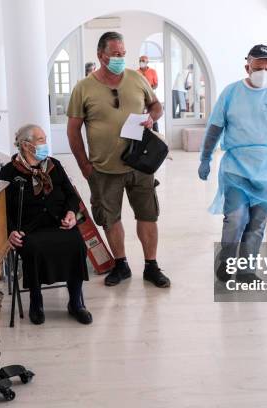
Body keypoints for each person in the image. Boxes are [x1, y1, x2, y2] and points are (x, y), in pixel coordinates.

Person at [67, 31, 169, 288]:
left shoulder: (137, 78)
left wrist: (152, 117)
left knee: (148, 215)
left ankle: (151, 266)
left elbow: (156, 105)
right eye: (115, 55)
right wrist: (85, 166)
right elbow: (73, 130)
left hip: (140, 164)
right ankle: (121, 265)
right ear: (101, 56)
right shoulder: (83, 88)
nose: (121, 59)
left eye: (123, 54)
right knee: (110, 218)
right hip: (103, 168)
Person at [198, 44, 267, 282]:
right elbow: (215, 127)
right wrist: (205, 157)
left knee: (256, 223)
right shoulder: (231, 93)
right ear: (247, 66)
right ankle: (227, 261)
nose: (262, 71)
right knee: (235, 219)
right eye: (258, 66)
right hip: (237, 170)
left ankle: (246, 270)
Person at [0, 124, 93, 325]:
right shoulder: (9, 173)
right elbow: (0, 210)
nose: (45, 144)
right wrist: (10, 231)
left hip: (59, 224)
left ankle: (76, 302)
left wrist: (70, 213)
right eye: (40, 140)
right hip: (30, 230)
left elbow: (71, 195)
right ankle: (36, 302)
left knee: (76, 242)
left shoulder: (54, 166)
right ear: (26, 146)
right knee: (33, 248)